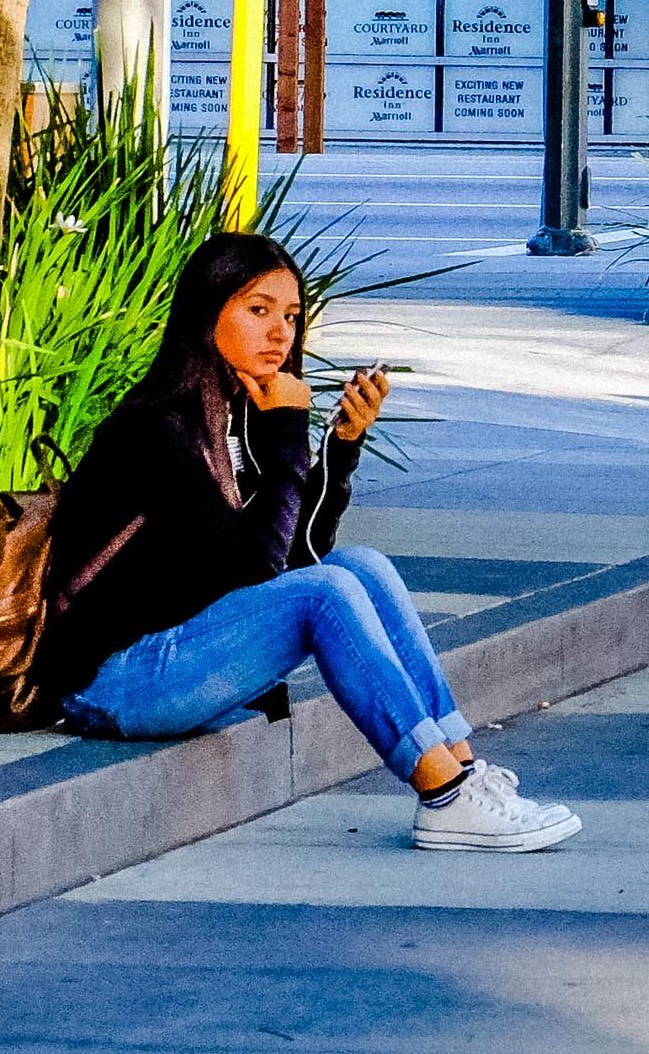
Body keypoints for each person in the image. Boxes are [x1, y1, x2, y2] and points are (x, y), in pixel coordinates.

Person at [41, 231, 580, 852]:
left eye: (291, 315)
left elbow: (302, 556)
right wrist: (290, 430)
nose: (279, 332)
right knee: (326, 593)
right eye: (257, 309)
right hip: (110, 681)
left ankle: (460, 768)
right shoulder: (160, 426)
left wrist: (340, 449)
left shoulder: (239, 410)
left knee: (362, 567)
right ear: (206, 310)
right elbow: (259, 568)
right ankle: (443, 797)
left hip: (180, 650)